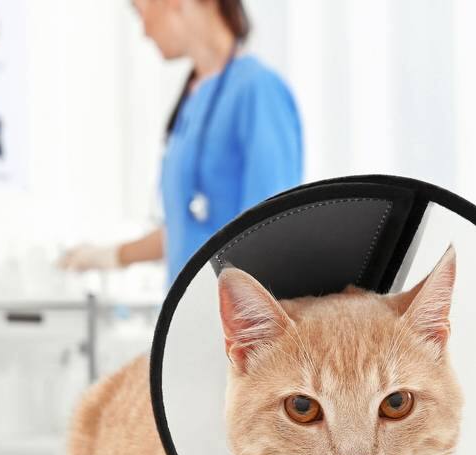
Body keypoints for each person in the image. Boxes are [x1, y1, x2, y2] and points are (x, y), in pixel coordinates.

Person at [60, 0, 302, 284]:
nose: (144, 32)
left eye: (140, 11)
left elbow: (271, 233)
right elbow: (187, 229)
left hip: (231, 321)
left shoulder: (258, 91)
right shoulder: (193, 99)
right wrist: (111, 255)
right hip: (184, 315)